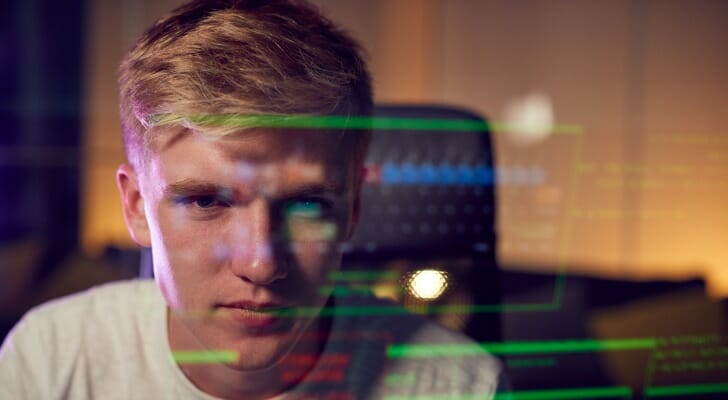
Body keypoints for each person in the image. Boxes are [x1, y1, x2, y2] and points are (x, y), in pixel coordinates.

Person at [0, 1, 504, 398]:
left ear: (353, 207)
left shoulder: (462, 388)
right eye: (206, 202)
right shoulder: (51, 362)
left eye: (306, 204)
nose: (261, 264)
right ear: (135, 207)